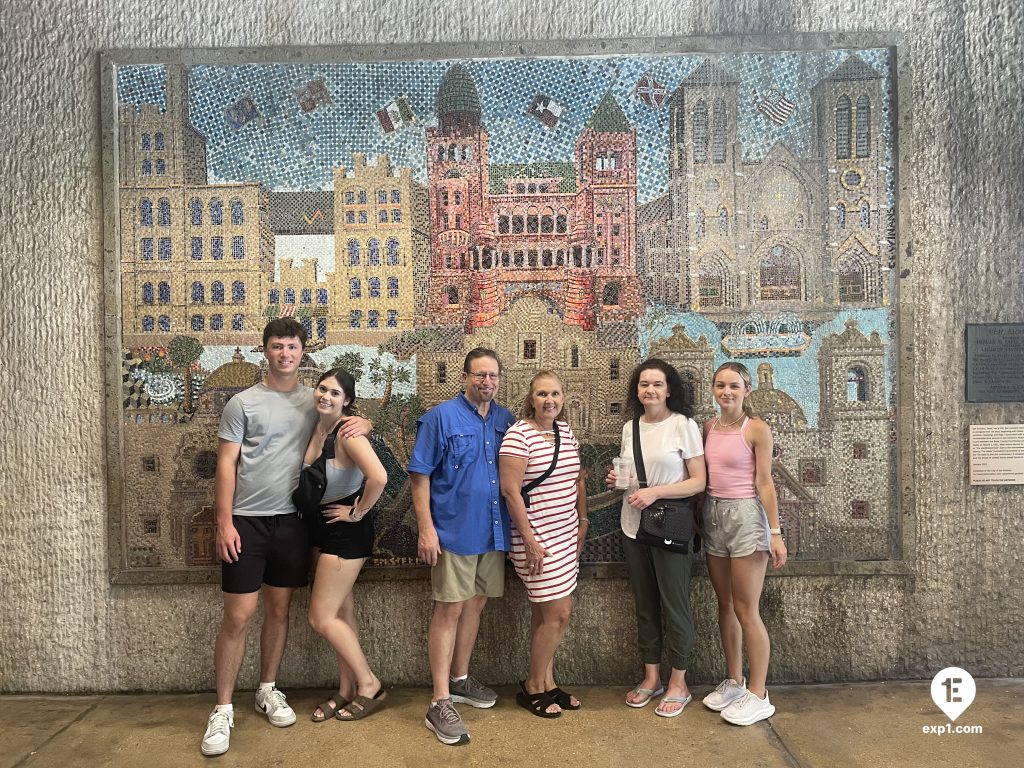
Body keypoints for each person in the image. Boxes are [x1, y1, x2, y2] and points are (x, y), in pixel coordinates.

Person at [201, 319, 369, 757]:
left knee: (279, 610)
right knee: (239, 615)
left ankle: (267, 689)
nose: (284, 354)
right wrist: (223, 522)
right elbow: (225, 465)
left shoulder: (314, 401)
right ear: (265, 351)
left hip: (293, 522)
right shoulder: (242, 403)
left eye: (292, 347)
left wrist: (362, 423)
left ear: (301, 352)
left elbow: (347, 419)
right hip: (246, 522)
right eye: (276, 346)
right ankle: (221, 709)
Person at [408, 348, 516, 746]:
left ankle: (460, 680)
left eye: (493, 376)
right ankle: (438, 701)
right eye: (479, 375)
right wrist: (426, 529)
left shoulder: (507, 420)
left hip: (492, 533)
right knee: (449, 608)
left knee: (476, 603)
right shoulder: (440, 417)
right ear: (465, 376)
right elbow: (420, 476)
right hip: (452, 532)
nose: (486, 382)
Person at [607, 358, 706, 718]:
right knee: (645, 604)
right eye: (644, 384)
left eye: (657, 384)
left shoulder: (683, 426)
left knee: (674, 605)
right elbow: (631, 474)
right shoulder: (629, 427)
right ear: (637, 390)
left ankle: (679, 681)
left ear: (669, 390)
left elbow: (698, 481)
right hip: (633, 526)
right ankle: (651, 677)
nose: (650, 390)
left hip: (669, 528)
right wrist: (618, 482)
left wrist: (655, 493)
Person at [700, 362, 788, 726]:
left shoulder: (757, 429)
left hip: (747, 518)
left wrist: (775, 532)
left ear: (747, 390)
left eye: (734, 386)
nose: (727, 392)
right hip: (713, 514)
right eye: (720, 385)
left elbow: (765, 482)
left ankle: (759, 693)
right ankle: (735, 681)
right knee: (725, 604)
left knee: (746, 609)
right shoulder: (708, 426)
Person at [499, 370, 588, 718]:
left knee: (544, 612)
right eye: (541, 394)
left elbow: (576, 479)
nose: (549, 400)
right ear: (530, 399)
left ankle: (548, 682)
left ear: (563, 398)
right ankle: (534, 685)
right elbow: (510, 491)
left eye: (555, 394)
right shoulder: (518, 436)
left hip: (565, 536)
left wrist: (583, 521)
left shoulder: (565, 432)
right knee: (559, 613)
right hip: (535, 538)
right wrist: (530, 542)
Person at [303, 368, 389, 723]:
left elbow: (379, 476)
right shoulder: (316, 426)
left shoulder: (348, 433)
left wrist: (356, 513)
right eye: (322, 389)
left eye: (335, 393)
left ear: (347, 401)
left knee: (320, 617)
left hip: (345, 534)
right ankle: (346, 689)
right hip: (320, 530)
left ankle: (369, 683)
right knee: (340, 615)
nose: (326, 396)